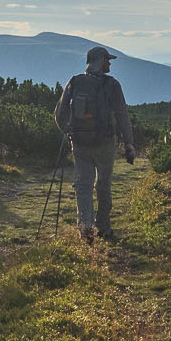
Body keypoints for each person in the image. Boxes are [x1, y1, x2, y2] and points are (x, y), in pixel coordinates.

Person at [53, 45, 136, 242]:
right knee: (103, 184)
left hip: (80, 143)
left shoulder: (74, 82)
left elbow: (59, 114)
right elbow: (122, 115)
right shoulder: (112, 85)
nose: (109, 64)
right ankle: (104, 227)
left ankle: (86, 227)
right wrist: (129, 143)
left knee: (83, 184)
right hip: (105, 143)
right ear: (100, 61)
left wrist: (69, 132)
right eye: (107, 60)